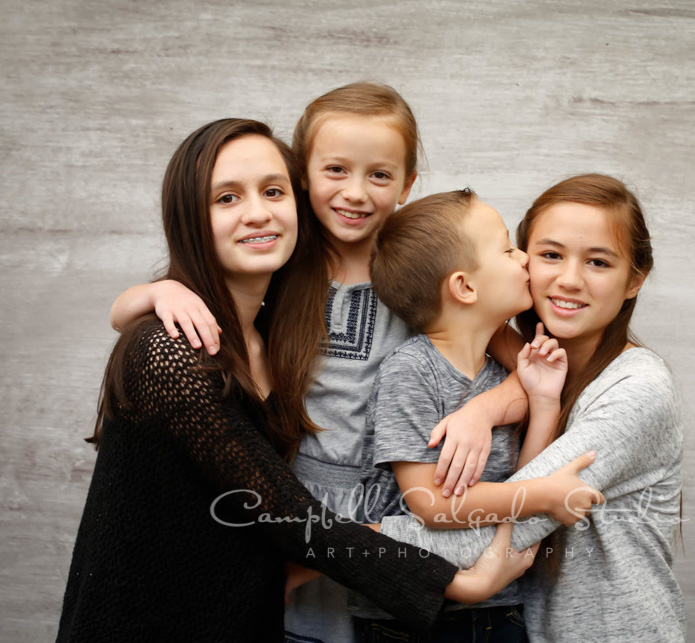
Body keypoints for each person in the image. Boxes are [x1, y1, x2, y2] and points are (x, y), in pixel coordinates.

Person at [57, 119, 534, 642]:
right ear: (189, 218)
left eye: (272, 191)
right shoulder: (169, 350)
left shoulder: (272, 325)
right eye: (226, 198)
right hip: (152, 624)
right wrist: (462, 582)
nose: (258, 211)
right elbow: (287, 515)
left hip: (245, 615)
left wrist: (486, 409)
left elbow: (516, 355)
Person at [376, 174, 686, 642]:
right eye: (549, 254)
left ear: (633, 281)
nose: (568, 279)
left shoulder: (636, 390)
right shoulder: (506, 363)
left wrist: (335, 543)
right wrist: (489, 405)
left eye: (599, 262)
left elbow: (498, 528)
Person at [348, 189, 602, 641]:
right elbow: (431, 506)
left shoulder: (502, 368)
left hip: (499, 602)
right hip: (410, 614)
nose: (525, 258)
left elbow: (523, 479)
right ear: (465, 287)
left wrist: (544, 403)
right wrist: (544, 496)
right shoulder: (411, 371)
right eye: (508, 249)